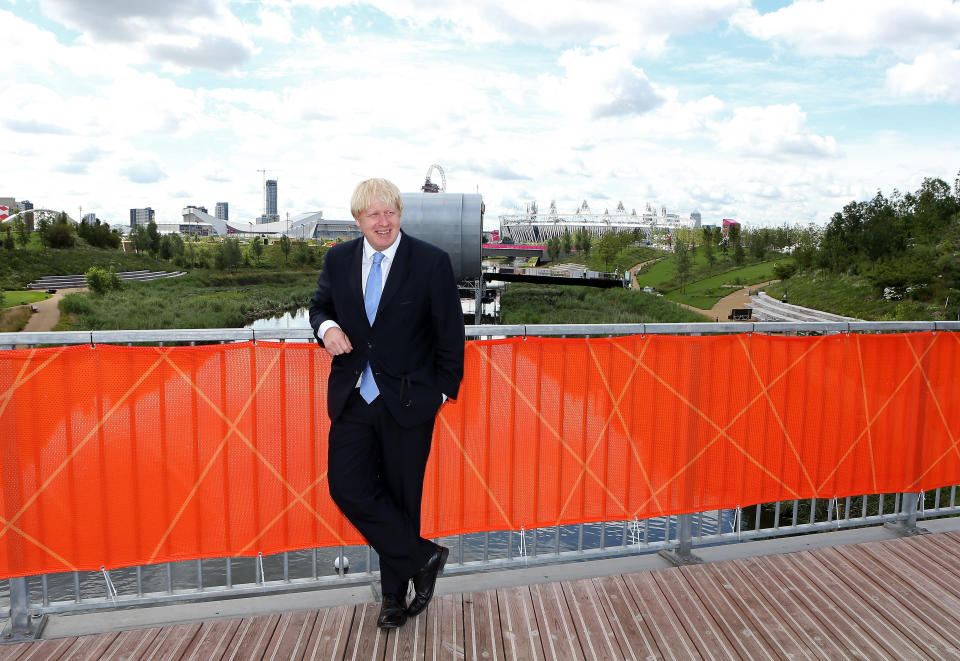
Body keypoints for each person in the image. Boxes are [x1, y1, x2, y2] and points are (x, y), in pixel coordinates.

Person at [309, 178, 465, 629]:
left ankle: (393, 600)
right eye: (374, 214)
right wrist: (328, 329)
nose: (384, 221)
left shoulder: (430, 262)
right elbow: (318, 307)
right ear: (358, 219)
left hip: (410, 401)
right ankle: (423, 557)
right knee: (347, 487)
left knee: (401, 500)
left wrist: (438, 393)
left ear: (400, 215)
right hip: (354, 398)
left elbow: (450, 337)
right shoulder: (338, 259)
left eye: (390, 212)